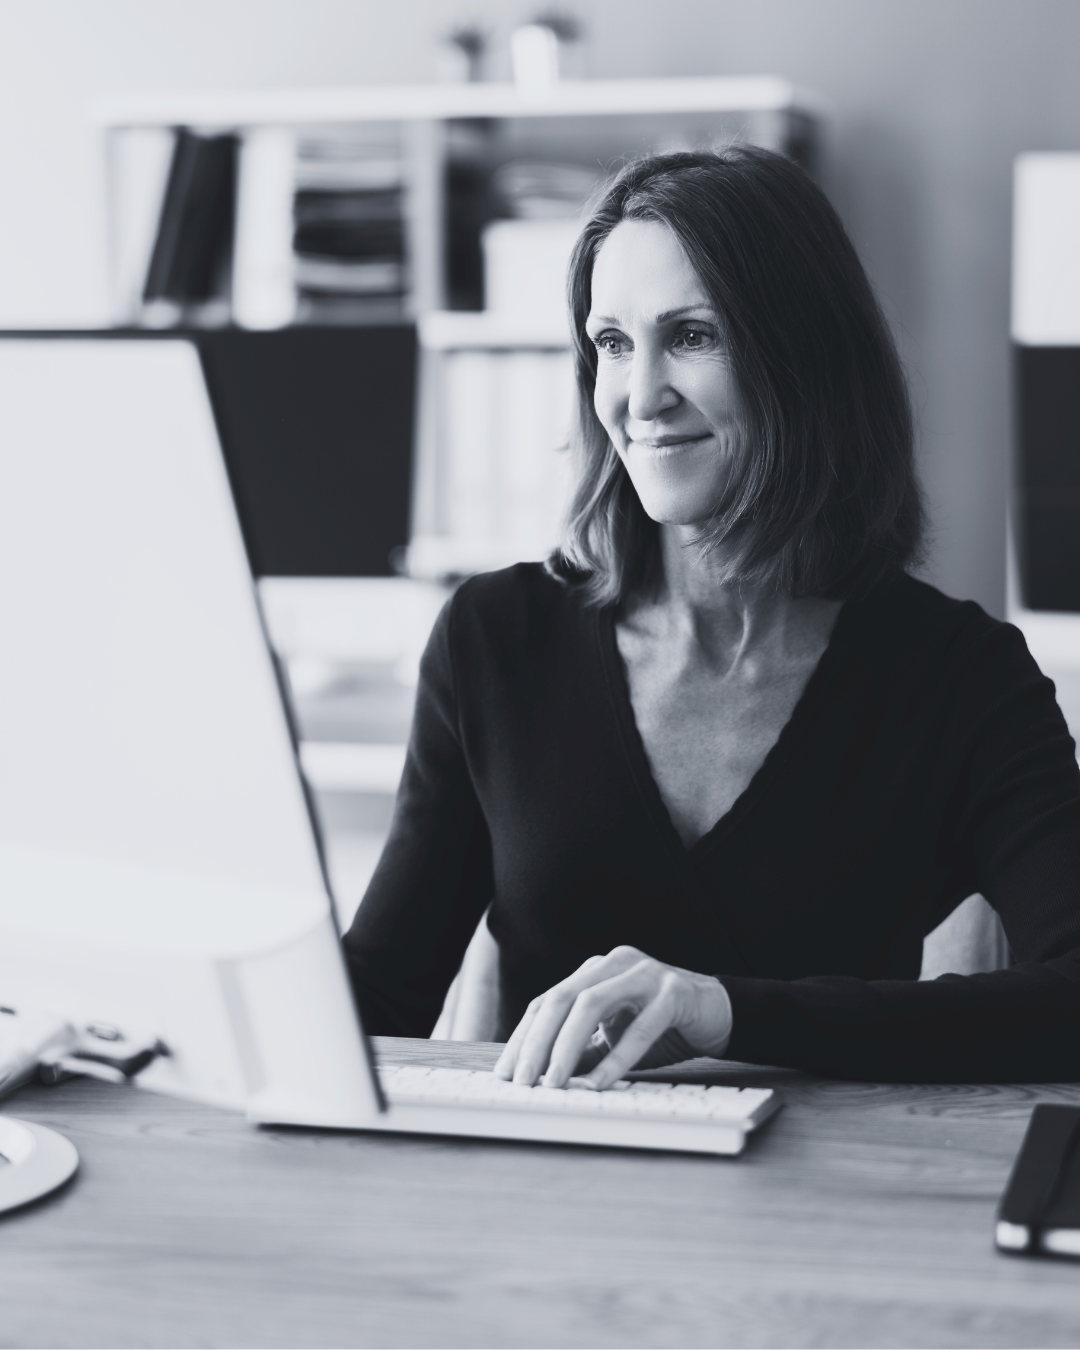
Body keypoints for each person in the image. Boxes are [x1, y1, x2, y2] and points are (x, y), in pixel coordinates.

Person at [344, 147, 1080, 1088]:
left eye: (691, 335)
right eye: (612, 343)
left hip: (820, 1207)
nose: (639, 398)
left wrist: (726, 1011)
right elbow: (378, 996)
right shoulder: (495, 638)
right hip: (541, 1201)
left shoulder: (961, 677)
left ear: (805, 358)